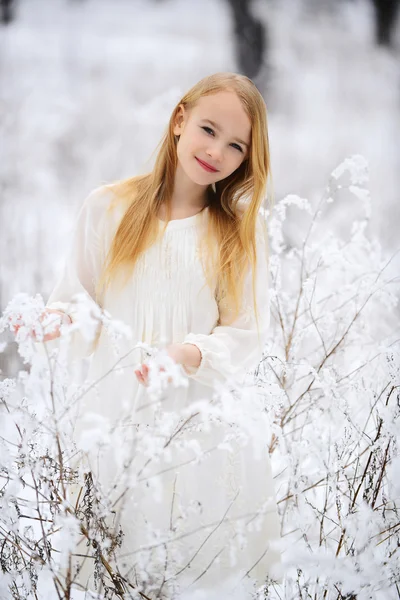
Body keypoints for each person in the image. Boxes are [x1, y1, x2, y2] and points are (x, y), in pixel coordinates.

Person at [38, 72, 282, 598]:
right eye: (208, 129)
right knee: (112, 564)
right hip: (118, 415)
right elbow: (75, 297)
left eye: (236, 145)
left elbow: (245, 331)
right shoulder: (108, 207)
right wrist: (59, 320)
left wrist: (189, 351)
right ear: (179, 120)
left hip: (199, 432)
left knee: (194, 568)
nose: (216, 150)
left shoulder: (235, 231)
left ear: (245, 159)